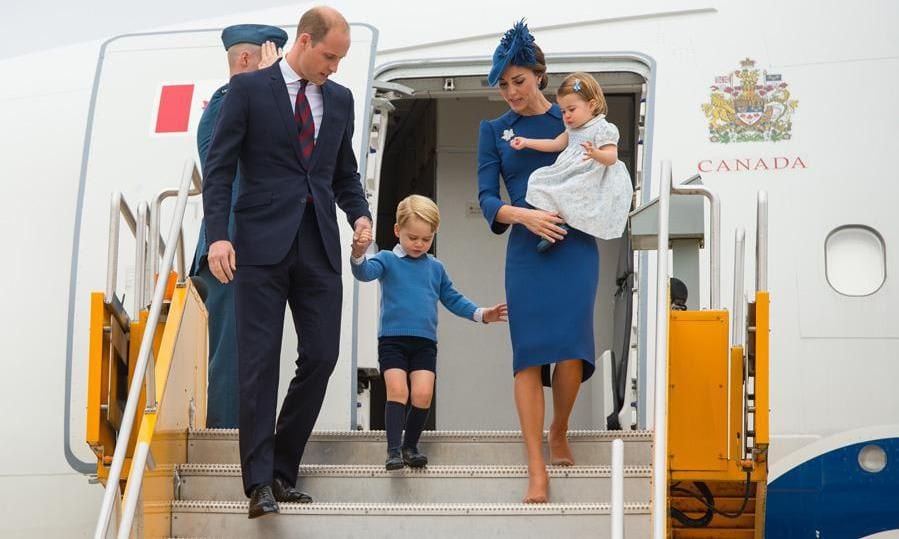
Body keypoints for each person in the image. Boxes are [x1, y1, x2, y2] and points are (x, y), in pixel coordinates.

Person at [202, 6, 373, 519]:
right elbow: (220, 168)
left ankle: (281, 465)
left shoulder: (338, 101)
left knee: (321, 356)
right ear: (303, 42)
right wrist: (217, 238)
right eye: (329, 56)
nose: (335, 68)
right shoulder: (249, 91)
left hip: (318, 244)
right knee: (258, 363)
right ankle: (258, 483)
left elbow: (343, 173)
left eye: (341, 59)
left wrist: (360, 217)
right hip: (257, 245)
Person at [477, 20, 598, 503]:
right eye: (503, 84)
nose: (510, 92)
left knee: (571, 350)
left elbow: (602, 175)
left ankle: (560, 428)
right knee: (528, 356)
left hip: (575, 245)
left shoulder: (571, 120)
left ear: (539, 77)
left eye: (518, 81)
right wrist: (523, 214)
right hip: (526, 250)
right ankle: (535, 468)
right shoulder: (494, 131)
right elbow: (487, 199)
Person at [349, 195, 508, 470]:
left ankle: (411, 447)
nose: (419, 245)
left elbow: (453, 299)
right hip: (393, 341)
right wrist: (358, 253)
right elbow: (364, 273)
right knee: (397, 391)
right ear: (397, 231)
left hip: (424, 343)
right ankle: (394, 450)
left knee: (422, 394)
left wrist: (483, 314)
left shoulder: (435, 268)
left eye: (426, 239)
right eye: (413, 238)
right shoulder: (387, 259)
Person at [191, 24, 287, 429]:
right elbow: (223, 170)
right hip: (230, 248)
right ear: (247, 59)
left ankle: (247, 441)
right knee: (232, 353)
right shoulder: (226, 103)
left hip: (253, 248)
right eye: (274, 60)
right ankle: (229, 444)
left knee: (251, 352)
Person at [510, 72, 633, 251]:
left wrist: (595, 153)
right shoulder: (572, 130)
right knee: (538, 179)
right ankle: (556, 223)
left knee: (573, 194)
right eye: (563, 111)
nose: (566, 115)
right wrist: (527, 142)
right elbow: (555, 144)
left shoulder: (603, 128)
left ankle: (564, 223)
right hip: (571, 172)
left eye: (571, 109)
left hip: (589, 175)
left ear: (592, 105)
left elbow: (611, 157)